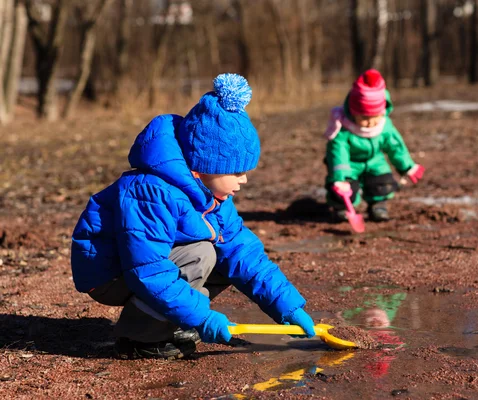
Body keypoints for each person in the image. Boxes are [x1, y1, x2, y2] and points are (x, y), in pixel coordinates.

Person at [70, 73, 315, 360]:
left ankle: (168, 321)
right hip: (110, 272)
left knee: (225, 257)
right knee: (201, 253)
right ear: (202, 167)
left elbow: (242, 252)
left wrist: (286, 306)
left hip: (144, 267)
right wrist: (202, 317)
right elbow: (148, 270)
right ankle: (139, 337)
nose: (244, 180)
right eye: (236, 172)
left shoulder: (213, 196)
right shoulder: (152, 191)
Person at [323, 69, 425, 222]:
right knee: (345, 190)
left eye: (375, 116)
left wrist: (407, 166)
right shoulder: (344, 129)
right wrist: (341, 177)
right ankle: (342, 208)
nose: (370, 122)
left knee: (381, 181)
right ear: (353, 112)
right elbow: (338, 154)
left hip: (375, 161)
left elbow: (395, 147)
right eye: (364, 117)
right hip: (349, 164)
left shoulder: (384, 127)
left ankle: (378, 205)